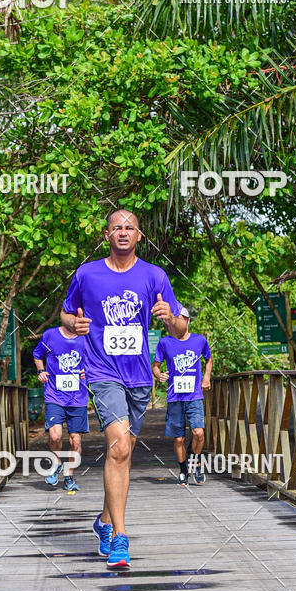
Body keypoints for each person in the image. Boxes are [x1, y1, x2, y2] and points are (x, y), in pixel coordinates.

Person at [61, 209, 188, 568]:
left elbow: (180, 329)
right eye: (116, 227)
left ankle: (103, 521)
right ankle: (120, 537)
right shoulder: (87, 274)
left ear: (139, 236)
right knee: (118, 445)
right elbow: (66, 314)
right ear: (106, 235)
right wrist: (76, 323)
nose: (122, 231)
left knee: (124, 452)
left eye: (129, 227)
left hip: (139, 377)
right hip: (102, 372)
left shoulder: (154, 275)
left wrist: (169, 317)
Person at [153, 317, 212, 485]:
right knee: (178, 439)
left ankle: (197, 463)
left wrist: (206, 377)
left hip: (194, 395)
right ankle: (184, 470)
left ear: (188, 321)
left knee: (198, 432)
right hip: (175, 397)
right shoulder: (165, 342)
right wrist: (159, 374)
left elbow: (209, 359)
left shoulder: (199, 340)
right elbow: (156, 365)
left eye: (182, 319)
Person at [32, 325, 88, 492]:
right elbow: (37, 355)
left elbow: (98, 360)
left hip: (78, 397)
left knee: (75, 440)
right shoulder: (50, 335)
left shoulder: (87, 337)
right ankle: (57, 464)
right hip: (54, 395)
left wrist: (89, 371)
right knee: (55, 436)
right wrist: (41, 371)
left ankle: (69, 475)